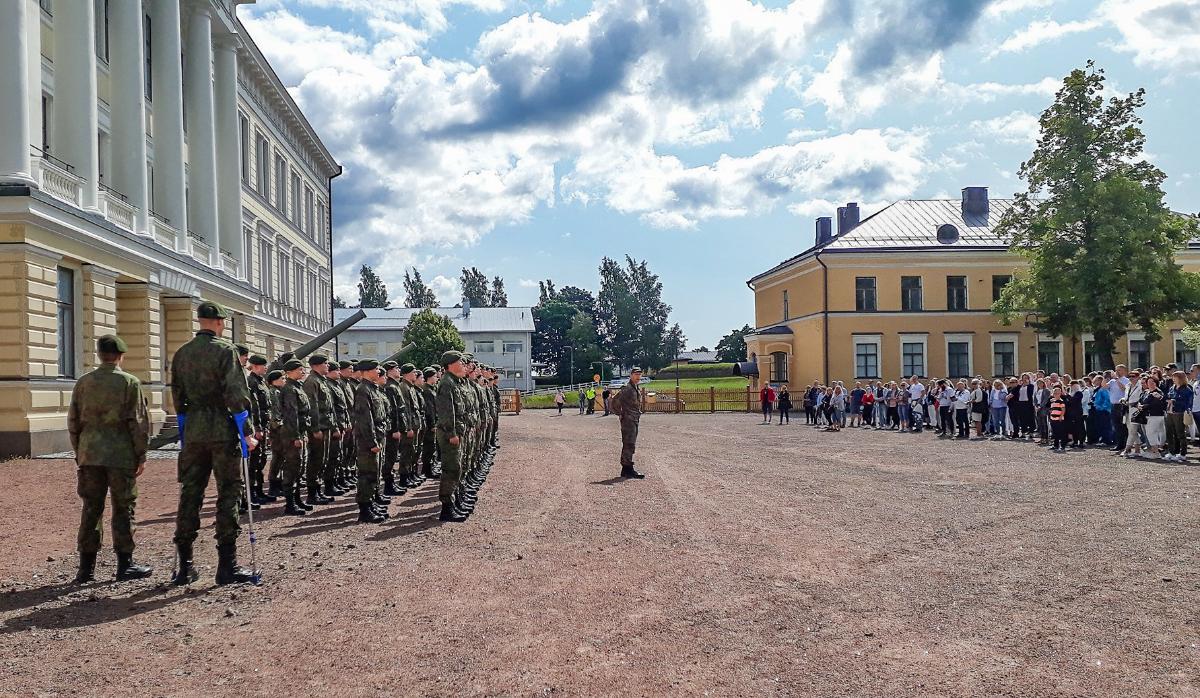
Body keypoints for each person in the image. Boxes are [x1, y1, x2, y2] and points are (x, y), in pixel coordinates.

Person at [169, 300, 257, 586]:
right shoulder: (225, 351)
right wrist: (247, 431)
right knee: (229, 492)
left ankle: (185, 566)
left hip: (194, 430)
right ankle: (226, 566)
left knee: (190, 494)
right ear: (220, 322)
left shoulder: (182, 354)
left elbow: (178, 397)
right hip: (221, 429)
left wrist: (186, 429)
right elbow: (236, 395)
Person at [69, 334, 152, 583]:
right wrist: (141, 454)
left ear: (100, 355)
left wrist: (79, 451)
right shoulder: (129, 382)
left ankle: (86, 569)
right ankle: (125, 565)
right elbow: (138, 423)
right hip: (120, 454)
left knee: (91, 508)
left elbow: (73, 421)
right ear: (121, 355)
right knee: (123, 507)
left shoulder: (83, 382)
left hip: (89, 453)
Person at [352, 360, 390, 523]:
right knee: (366, 474)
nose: (378, 371)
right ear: (367, 371)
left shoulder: (372, 388)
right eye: (375, 369)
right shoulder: (363, 390)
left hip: (378, 435)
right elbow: (365, 420)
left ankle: (371, 503)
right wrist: (372, 442)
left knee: (374, 472)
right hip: (368, 440)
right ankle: (365, 510)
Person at [435, 351, 470, 522]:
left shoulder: (453, 382)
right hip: (450, 434)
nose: (463, 364)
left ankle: (454, 503)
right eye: (459, 362)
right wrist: (452, 433)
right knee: (450, 470)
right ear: (451, 364)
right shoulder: (447, 383)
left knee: (456, 468)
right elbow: (447, 412)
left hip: (455, 432)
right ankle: (446, 509)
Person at [277, 360, 311, 516]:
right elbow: (292, 415)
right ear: (289, 372)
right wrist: (296, 436)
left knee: (299, 467)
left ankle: (297, 500)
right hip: (292, 434)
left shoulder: (298, 387)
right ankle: (290, 504)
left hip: (300, 432)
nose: (302, 371)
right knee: (291, 468)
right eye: (299, 369)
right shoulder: (290, 389)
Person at [245, 355, 274, 506]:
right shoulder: (251, 382)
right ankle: (251, 494)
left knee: (261, 460)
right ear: (255, 366)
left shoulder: (261, 381)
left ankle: (259, 490)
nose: (266, 368)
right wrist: (256, 428)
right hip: (258, 427)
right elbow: (253, 408)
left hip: (264, 425)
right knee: (254, 462)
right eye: (263, 366)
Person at [610, 367, 645, 478]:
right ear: (630, 375)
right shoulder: (627, 388)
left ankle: (627, 468)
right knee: (628, 443)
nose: (638, 377)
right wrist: (619, 413)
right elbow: (614, 401)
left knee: (631, 443)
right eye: (635, 374)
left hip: (634, 419)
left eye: (639, 374)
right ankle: (627, 468)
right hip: (628, 420)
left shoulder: (635, 388)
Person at [1165, 370, 1193, 462]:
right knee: (1169, 432)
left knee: (1180, 434)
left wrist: (1174, 401)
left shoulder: (1187, 389)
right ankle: (1172, 452)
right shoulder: (1172, 387)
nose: (1173, 379)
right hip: (1170, 412)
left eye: (1175, 377)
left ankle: (1183, 453)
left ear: (1180, 378)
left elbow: (1188, 402)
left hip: (1179, 413)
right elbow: (1168, 396)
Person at [1140, 376, 1167, 459]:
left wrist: (1144, 406)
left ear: (1156, 383)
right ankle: (1154, 451)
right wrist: (1139, 405)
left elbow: (1156, 404)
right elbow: (1141, 400)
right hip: (1147, 415)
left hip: (1156, 415)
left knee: (1151, 433)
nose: (1151, 384)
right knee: (1150, 434)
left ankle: (1156, 452)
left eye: (1153, 382)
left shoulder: (1158, 392)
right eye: (1149, 382)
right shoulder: (1146, 392)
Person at [1048, 387, 1069, 452]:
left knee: (1061, 432)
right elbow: (1051, 408)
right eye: (1055, 393)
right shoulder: (1052, 401)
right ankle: (1055, 445)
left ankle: (1062, 446)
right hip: (1053, 418)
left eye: (1058, 393)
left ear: (1060, 394)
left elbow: (1063, 409)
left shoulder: (1061, 401)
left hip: (1059, 419)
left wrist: (1061, 416)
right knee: (1055, 433)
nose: (1056, 394)